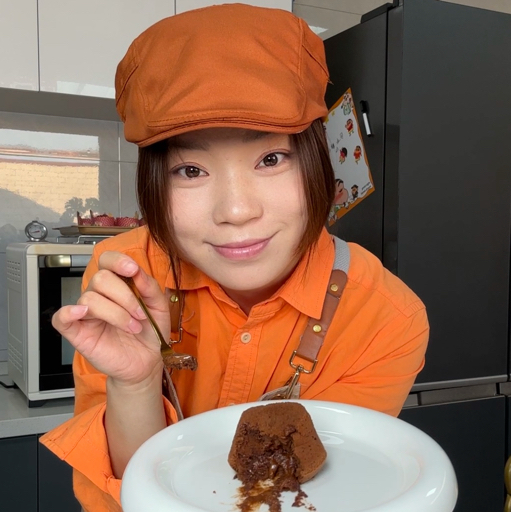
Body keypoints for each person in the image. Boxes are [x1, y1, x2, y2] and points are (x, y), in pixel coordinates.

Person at [40, 4, 429, 512]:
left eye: (271, 159)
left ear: (318, 160)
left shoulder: (386, 320)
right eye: (191, 171)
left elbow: (319, 495)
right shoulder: (125, 274)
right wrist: (135, 383)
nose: (237, 211)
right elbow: (127, 496)